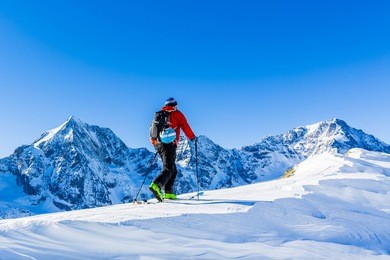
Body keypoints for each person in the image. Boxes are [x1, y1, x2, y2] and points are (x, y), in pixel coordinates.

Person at [149, 97, 197, 202]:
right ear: (175, 105)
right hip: (169, 144)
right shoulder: (177, 114)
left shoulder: (160, 114)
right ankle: (156, 185)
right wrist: (193, 138)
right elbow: (185, 126)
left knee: (173, 169)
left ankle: (168, 193)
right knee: (169, 168)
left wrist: (156, 142)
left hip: (158, 144)